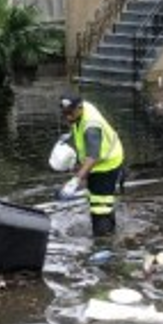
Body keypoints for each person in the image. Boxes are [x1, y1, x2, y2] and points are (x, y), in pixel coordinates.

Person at [57, 94, 125, 237]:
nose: (68, 118)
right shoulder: (82, 109)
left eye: (70, 113)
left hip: (107, 164)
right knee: (100, 200)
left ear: (80, 108)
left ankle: (103, 241)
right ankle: (110, 232)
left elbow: (93, 157)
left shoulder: (91, 127)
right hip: (102, 160)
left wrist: (75, 181)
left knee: (100, 206)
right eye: (65, 114)